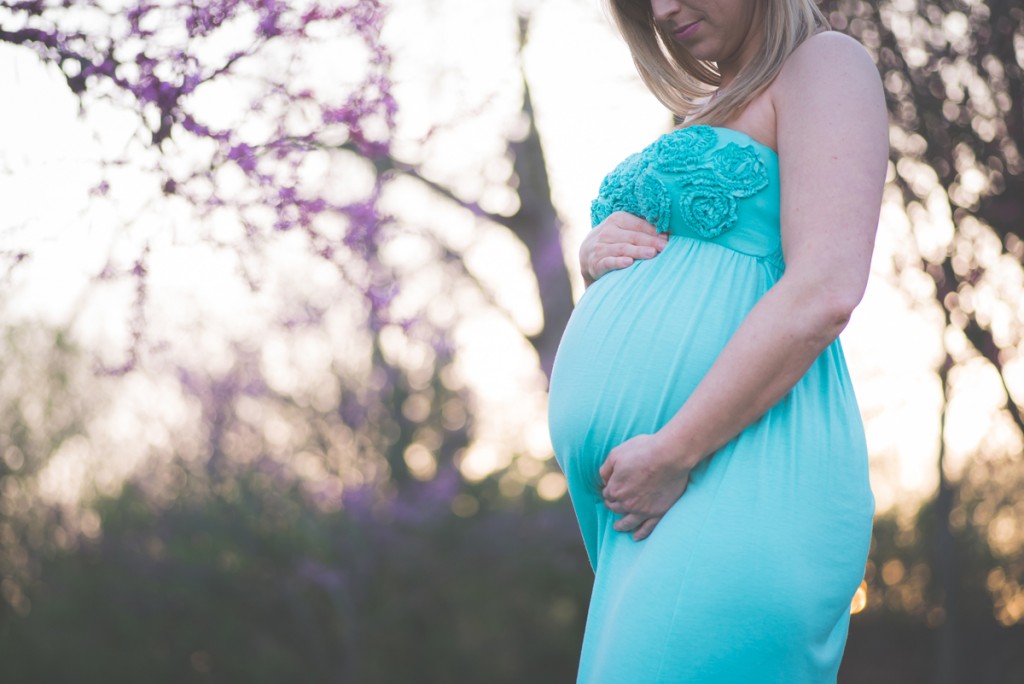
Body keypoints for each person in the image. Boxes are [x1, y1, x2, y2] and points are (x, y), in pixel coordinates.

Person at [546, 0, 888, 681]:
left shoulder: (823, 64)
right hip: (658, 498)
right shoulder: (716, 105)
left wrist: (675, 451)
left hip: (735, 468)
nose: (663, 9)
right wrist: (601, 257)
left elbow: (826, 289)